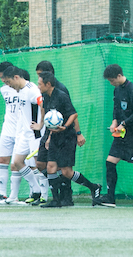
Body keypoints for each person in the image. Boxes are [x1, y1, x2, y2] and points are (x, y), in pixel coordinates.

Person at [38, 70, 100, 207]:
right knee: (50, 167)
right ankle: (55, 200)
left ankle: (93, 187)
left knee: (66, 172)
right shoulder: (45, 96)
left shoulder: (61, 95)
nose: (38, 86)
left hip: (67, 137)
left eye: (40, 84)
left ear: (48, 84)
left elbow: (73, 114)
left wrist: (65, 127)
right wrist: (49, 136)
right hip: (55, 136)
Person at [95, 64, 133, 207]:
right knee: (110, 162)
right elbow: (116, 108)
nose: (111, 83)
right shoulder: (116, 90)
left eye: (112, 80)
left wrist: (124, 124)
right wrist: (115, 121)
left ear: (119, 76)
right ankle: (110, 197)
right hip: (121, 136)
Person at [33, 61, 85, 203]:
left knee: (64, 169)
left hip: (64, 134)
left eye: (40, 77)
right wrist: (42, 124)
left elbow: (71, 113)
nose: (37, 82)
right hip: (51, 132)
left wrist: (78, 132)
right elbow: (45, 109)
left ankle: (65, 194)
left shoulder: (61, 91)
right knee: (42, 164)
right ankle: (57, 191)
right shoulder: (45, 93)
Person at [2, 67, 47, 205]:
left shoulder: (31, 89)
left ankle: (44, 196)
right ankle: (36, 190)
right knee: (17, 162)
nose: (9, 85)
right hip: (25, 134)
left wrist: (41, 124)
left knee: (39, 164)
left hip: (35, 134)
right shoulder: (19, 91)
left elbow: (43, 104)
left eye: (9, 82)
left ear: (16, 77)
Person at [0, 61, 20, 203]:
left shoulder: (22, 87)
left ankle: (13, 196)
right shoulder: (3, 89)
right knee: (3, 160)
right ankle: (2, 194)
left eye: (4, 76)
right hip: (6, 129)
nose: (3, 80)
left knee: (16, 163)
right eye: (1, 78)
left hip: (20, 131)